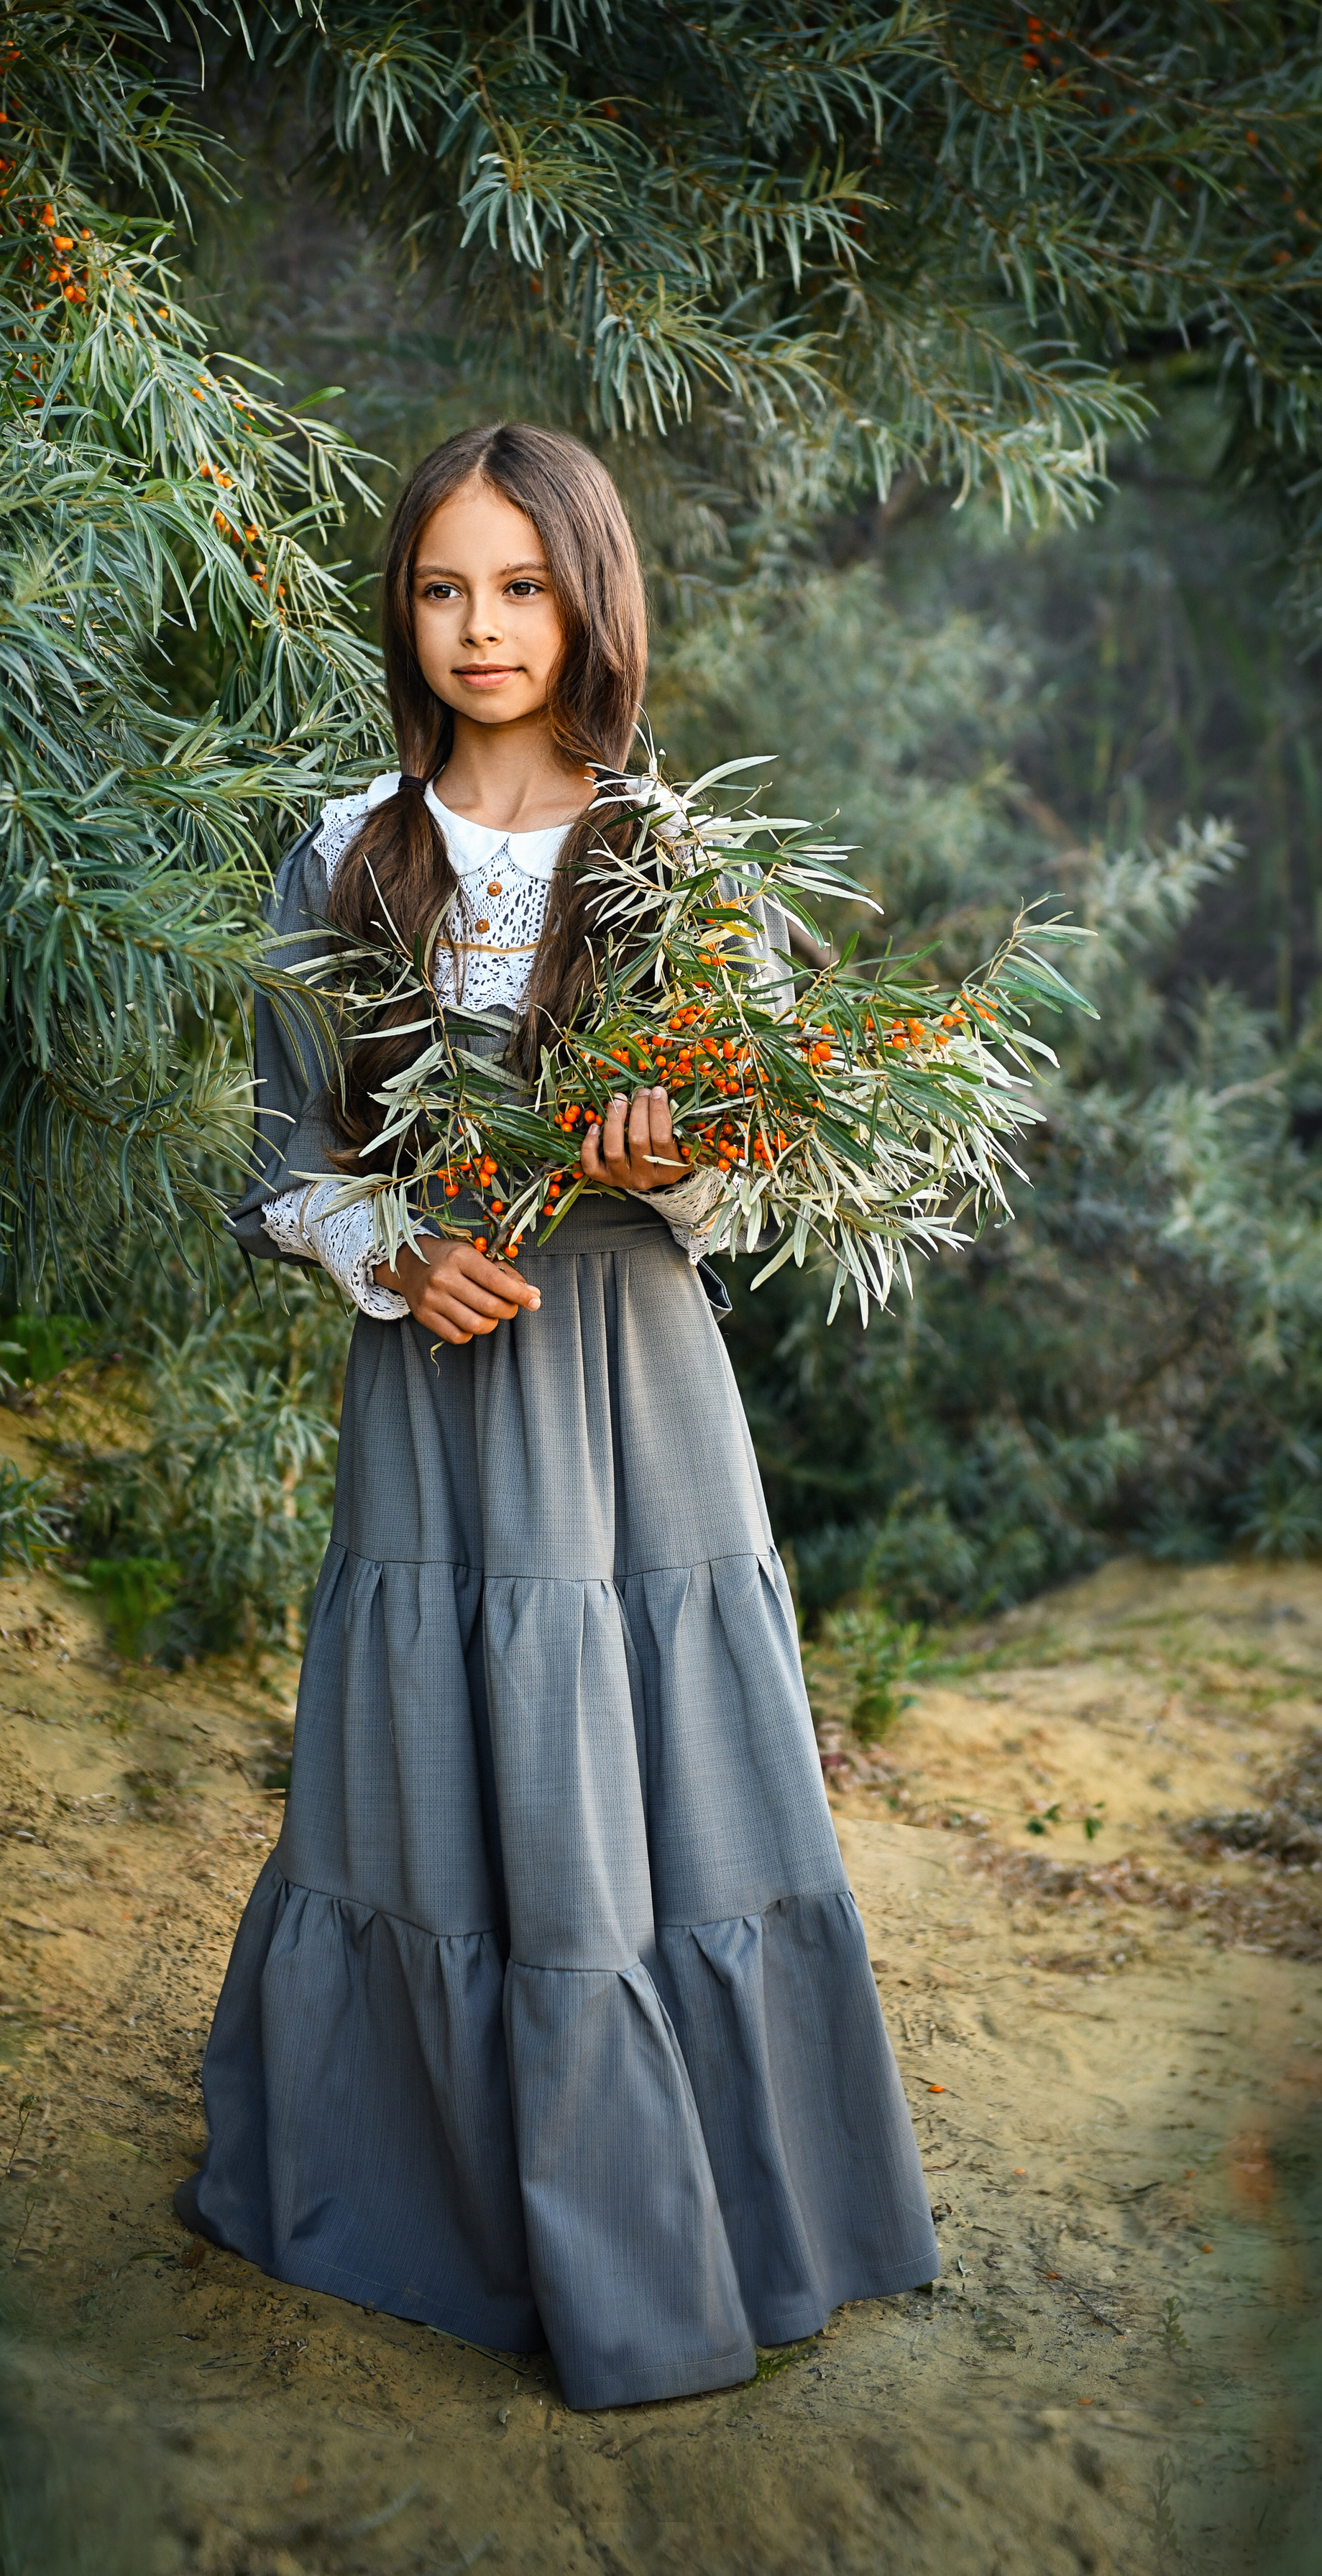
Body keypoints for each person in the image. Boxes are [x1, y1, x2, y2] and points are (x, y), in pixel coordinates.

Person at [175, 421, 938, 2411]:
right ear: (403, 608)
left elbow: (768, 1180)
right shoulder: (344, 853)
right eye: (444, 588)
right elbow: (277, 1161)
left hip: (633, 1393)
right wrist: (397, 1254)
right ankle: (435, 2200)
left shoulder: (683, 858)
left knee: (655, 1777)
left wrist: (670, 1152)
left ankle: (706, 2208)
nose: (482, 627)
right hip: (436, 1390)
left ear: (589, 597)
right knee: (443, 1768)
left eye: (520, 586)